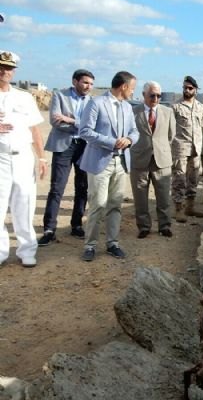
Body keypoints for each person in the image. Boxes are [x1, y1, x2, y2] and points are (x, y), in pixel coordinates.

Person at [78, 71, 139, 262]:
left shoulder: (128, 107)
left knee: (115, 205)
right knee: (97, 205)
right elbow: (85, 131)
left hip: (121, 163)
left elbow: (135, 131)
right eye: (132, 88)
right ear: (123, 86)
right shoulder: (96, 103)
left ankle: (113, 243)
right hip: (99, 162)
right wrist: (111, 142)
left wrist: (129, 139)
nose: (133, 92)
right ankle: (90, 245)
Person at [0, 51, 47, 268]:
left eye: (8, 68)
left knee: (25, 205)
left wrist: (42, 158)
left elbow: (34, 129)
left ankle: (27, 249)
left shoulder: (24, 97)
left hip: (22, 157)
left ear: (14, 71)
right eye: (1, 67)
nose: (4, 71)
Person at [38, 69, 94, 247]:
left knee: (82, 187)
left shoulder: (92, 101)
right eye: (85, 82)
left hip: (84, 147)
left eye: (91, 84)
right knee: (57, 187)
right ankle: (49, 229)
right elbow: (55, 122)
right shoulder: (60, 96)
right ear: (75, 81)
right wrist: (79, 124)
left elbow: (91, 125)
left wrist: (70, 120)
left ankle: (76, 225)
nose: (88, 87)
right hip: (63, 146)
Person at [130, 81, 175, 238]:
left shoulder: (168, 112)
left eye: (158, 95)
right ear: (144, 95)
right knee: (140, 197)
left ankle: (164, 226)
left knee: (163, 197)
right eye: (152, 95)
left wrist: (160, 149)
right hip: (139, 160)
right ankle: (143, 227)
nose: (155, 98)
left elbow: (171, 136)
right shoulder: (133, 112)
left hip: (161, 161)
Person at [171, 75, 203, 222]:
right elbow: (170, 128)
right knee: (179, 178)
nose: (187, 90)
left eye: (190, 88)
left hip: (196, 148)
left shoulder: (200, 107)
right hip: (181, 148)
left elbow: (202, 126)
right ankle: (178, 209)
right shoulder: (176, 107)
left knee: (194, 179)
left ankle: (190, 207)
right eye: (185, 87)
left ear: (195, 90)